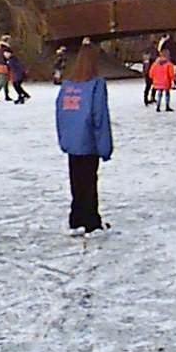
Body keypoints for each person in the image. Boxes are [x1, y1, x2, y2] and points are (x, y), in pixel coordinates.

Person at [55, 43, 113, 237]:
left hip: (72, 141)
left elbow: (60, 113)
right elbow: (99, 116)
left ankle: (76, 219)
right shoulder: (96, 85)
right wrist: (105, 147)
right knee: (89, 181)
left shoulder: (68, 85)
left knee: (76, 180)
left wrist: (64, 138)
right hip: (89, 141)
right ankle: (91, 222)